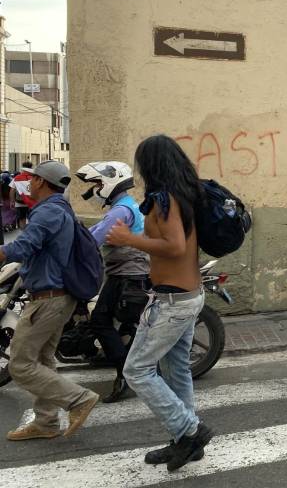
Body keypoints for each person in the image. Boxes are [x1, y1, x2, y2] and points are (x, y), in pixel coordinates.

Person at [105, 135, 212, 471]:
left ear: (151, 165)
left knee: (136, 369)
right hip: (189, 296)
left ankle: (189, 431)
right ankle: (183, 441)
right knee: (176, 369)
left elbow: (175, 246)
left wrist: (129, 239)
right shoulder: (184, 195)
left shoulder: (165, 199)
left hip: (171, 302)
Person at [1, 161, 100, 441]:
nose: (28, 183)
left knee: (19, 364)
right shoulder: (60, 209)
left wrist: (2, 251)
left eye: (32, 178)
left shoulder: (47, 212)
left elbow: (24, 246)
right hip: (56, 296)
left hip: (47, 299)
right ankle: (46, 422)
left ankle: (78, 398)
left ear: (42, 182)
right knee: (43, 360)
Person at [76, 161, 150, 403]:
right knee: (108, 320)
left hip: (129, 273)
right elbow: (92, 232)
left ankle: (125, 373)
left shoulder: (121, 211)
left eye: (97, 184)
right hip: (123, 272)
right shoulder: (122, 207)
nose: (95, 190)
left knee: (100, 320)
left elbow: (93, 240)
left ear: (110, 181)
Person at [12, 162, 37, 228]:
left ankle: (23, 233)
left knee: (22, 218)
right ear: (31, 168)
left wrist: (12, 201)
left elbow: (12, 190)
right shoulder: (35, 178)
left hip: (20, 202)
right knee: (32, 218)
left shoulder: (17, 177)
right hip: (32, 202)